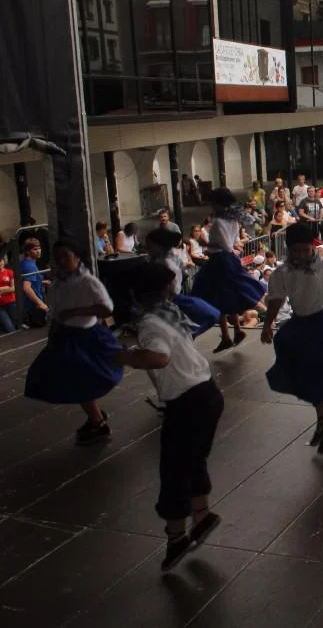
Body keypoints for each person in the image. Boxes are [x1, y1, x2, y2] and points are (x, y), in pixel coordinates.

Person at [117, 263, 224, 571]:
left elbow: (159, 357)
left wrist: (123, 356)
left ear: (135, 295)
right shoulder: (170, 313)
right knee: (193, 458)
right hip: (207, 393)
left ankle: (176, 535)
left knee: (175, 467)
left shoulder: (150, 323)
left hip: (188, 401)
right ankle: (201, 516)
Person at [263, 224, 323, 453]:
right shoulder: (283, 271)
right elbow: (276, 298)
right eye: (295, 251)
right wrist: (268, 323)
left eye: (305, 250)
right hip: (299, 325)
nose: (300, 255)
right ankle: (322, 419)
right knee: (307, 375)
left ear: (313, 247)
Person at [24, 241, 121, 445]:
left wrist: (76, 312)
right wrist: (54, 331)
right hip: (65, 337)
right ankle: (95, 418)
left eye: (65, 256)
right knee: (73, 381)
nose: (61, 261)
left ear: (76, 257)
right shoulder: (58, 283)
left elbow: (107, 308)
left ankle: (97, 421)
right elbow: (55, 311)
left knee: (81, 381)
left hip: (87, 337)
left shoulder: (87, 282)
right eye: (57, 257)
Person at [190, 188, 268, 353]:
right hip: (228, 260)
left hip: (220, 261)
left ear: (217, 203)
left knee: (215, 295)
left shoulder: (219, 222)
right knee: (227, 295)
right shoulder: (233, 219)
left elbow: (225, 245)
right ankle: (234, 332)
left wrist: (204, 243)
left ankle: (227, 335)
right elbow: (233, 242)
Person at [145, 228, 220, 338]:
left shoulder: (169, 258)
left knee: (212, 314)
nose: (148, 248)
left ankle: (188, 335)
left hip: (174, 298)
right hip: (167, 301)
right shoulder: (160, 262)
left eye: (150, 245)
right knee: (212, 314)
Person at [0, 254, 17, 334]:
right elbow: (10, 288)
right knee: (10, 328)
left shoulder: (9, 272)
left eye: (1, 260)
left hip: (11, 302)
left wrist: (1, 290)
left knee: (15, 325)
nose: (0, 263)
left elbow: (13, 288)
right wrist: (6, 287)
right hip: (0, 306)